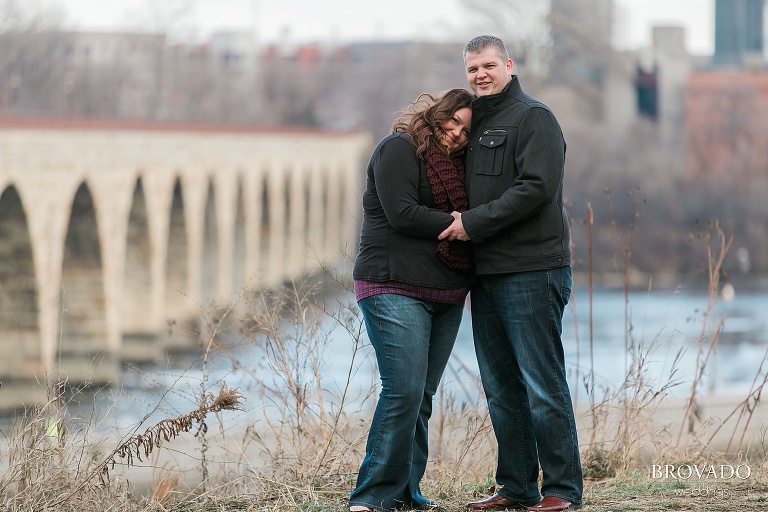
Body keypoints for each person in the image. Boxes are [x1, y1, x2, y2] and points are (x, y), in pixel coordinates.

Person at [438, 35, 583, 512]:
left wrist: (472, 224)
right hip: (487, 275)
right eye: (472, 68)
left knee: (542, 384)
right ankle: (516, 488)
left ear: (508, 65)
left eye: (488, 65)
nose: (480, 74)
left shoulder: (533, 118)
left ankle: (561, 490)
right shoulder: (473, 125)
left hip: (532, 270)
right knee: (501, 388)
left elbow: (537, 189)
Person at [348, 88, 475, 512]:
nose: (456, 133)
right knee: (402, 390)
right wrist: (462, 224)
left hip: (447, 292)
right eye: (452, 121)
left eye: (466, 129)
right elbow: (402, 212)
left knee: (420, 396)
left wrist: (470, 221)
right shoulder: (399, 149)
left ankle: (405, 493)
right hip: (392, 286)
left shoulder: (463, 170)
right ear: (435, 114)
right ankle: (370, 497)